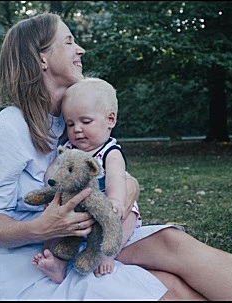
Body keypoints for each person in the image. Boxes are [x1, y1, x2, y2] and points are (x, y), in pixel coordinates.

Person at [0, 12, 232, 301]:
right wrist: (43, 228)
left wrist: (125, 191)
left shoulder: (68, 118)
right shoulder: (7, 130)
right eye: (69, 41)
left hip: (89, 231)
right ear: (41, 58)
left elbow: (113, 174)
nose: (80, 49)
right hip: (35, 255)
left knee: (175, 243)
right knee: (169, 288)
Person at [32, 77, 143, 283]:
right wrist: (52, 190)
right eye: (70, 124)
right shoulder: (70, 151)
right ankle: (56, 262)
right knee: (53, 223)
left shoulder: (110, 152)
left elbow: (117, 178)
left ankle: (107, 253)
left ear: (110, 120)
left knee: (128, 217)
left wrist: (116, 201)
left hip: (104, 210)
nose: (77, 129)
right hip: (75, 211)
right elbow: (54, 172)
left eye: (86, 121)